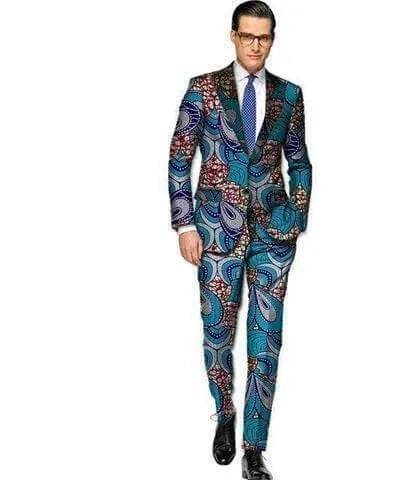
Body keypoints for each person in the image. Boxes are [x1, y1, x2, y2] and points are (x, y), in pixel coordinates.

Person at [167, 2, 312, 478]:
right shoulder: (203, 89)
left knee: (266, 340)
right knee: (217, 333)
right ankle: (224, 411)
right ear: (233, 35)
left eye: (263, 37)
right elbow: (179, 157)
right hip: (215, 232)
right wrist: (185, 225)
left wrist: (297, 213)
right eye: (248, 36)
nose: (255, 45)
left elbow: (299, 161)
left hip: (274, 234)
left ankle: (254, 447)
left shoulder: (289, 95)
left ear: (272, 39)